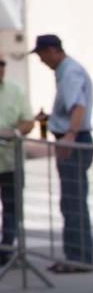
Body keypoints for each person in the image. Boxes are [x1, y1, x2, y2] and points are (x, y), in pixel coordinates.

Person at [32, 34, 93, 273]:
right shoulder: (67, 71)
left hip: (74, 141)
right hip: (73, 138)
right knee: (72, 200)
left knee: (73, 201)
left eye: (42, 55)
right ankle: (76, 254)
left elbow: (78, 106)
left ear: (52, 51)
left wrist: (69, 134)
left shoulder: (69, 72)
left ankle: (77, 256)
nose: (41, 61)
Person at [0, 55, 35, 267]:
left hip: (10, 160)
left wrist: (13, 132)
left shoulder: (15, 91)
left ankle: (7, 248)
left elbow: (28, 121)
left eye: (2, 65)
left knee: (12, 206)